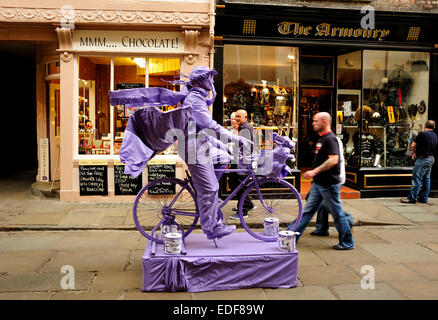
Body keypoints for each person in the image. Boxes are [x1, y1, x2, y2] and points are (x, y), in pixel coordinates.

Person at [112, 66, 252, 240]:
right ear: (202, 80)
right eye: (210, 78)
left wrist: (226, 147)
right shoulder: (194, 99)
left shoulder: (198, 97)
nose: (213, 81)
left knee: (224, 158)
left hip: (200, 145)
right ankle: (211, 226)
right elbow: (209, 126)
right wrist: (236, 139)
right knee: (211, 189)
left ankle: (206, 196)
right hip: (195, 150)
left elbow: (201, 131)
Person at [294, 112, 354, 250]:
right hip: (319, 182)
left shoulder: (330, 139)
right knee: (308, 211)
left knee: (337, 213)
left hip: (329, 183)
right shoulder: (322, 138)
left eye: (316, 121)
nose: (313, 123)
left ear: (324, 122)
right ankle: (292, 236)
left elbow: (333, 160)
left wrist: (314, 171)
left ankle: (347, 242)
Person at [310, 136, 355, 236]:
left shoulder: (332, 140)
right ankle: (321, 227)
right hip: (324, 179)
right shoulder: (324, 140)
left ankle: (347, 219)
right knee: (323, 204)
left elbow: (333, 161)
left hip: (332, 179)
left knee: (329, 205)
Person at [401, 120, 437, 204]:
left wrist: (414, 152)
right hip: (431, 159)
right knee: (427, 179)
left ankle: (412, 198)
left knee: (417, 179)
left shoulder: (422, 134)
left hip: (422, 159)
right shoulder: (435, 135)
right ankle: (424, 198)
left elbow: (413, 145)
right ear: (434, 127)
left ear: (425, 126)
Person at [229, 109, 256, 219]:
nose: (236, 118)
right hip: (240, 161)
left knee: (238, 185)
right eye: (235, 116)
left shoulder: (245, 128)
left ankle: (243, 211)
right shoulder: (243, 127)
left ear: (245, 117)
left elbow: (241, 145)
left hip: (242, 162)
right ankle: (248, 205)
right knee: (237, 184)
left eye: (239, 116)